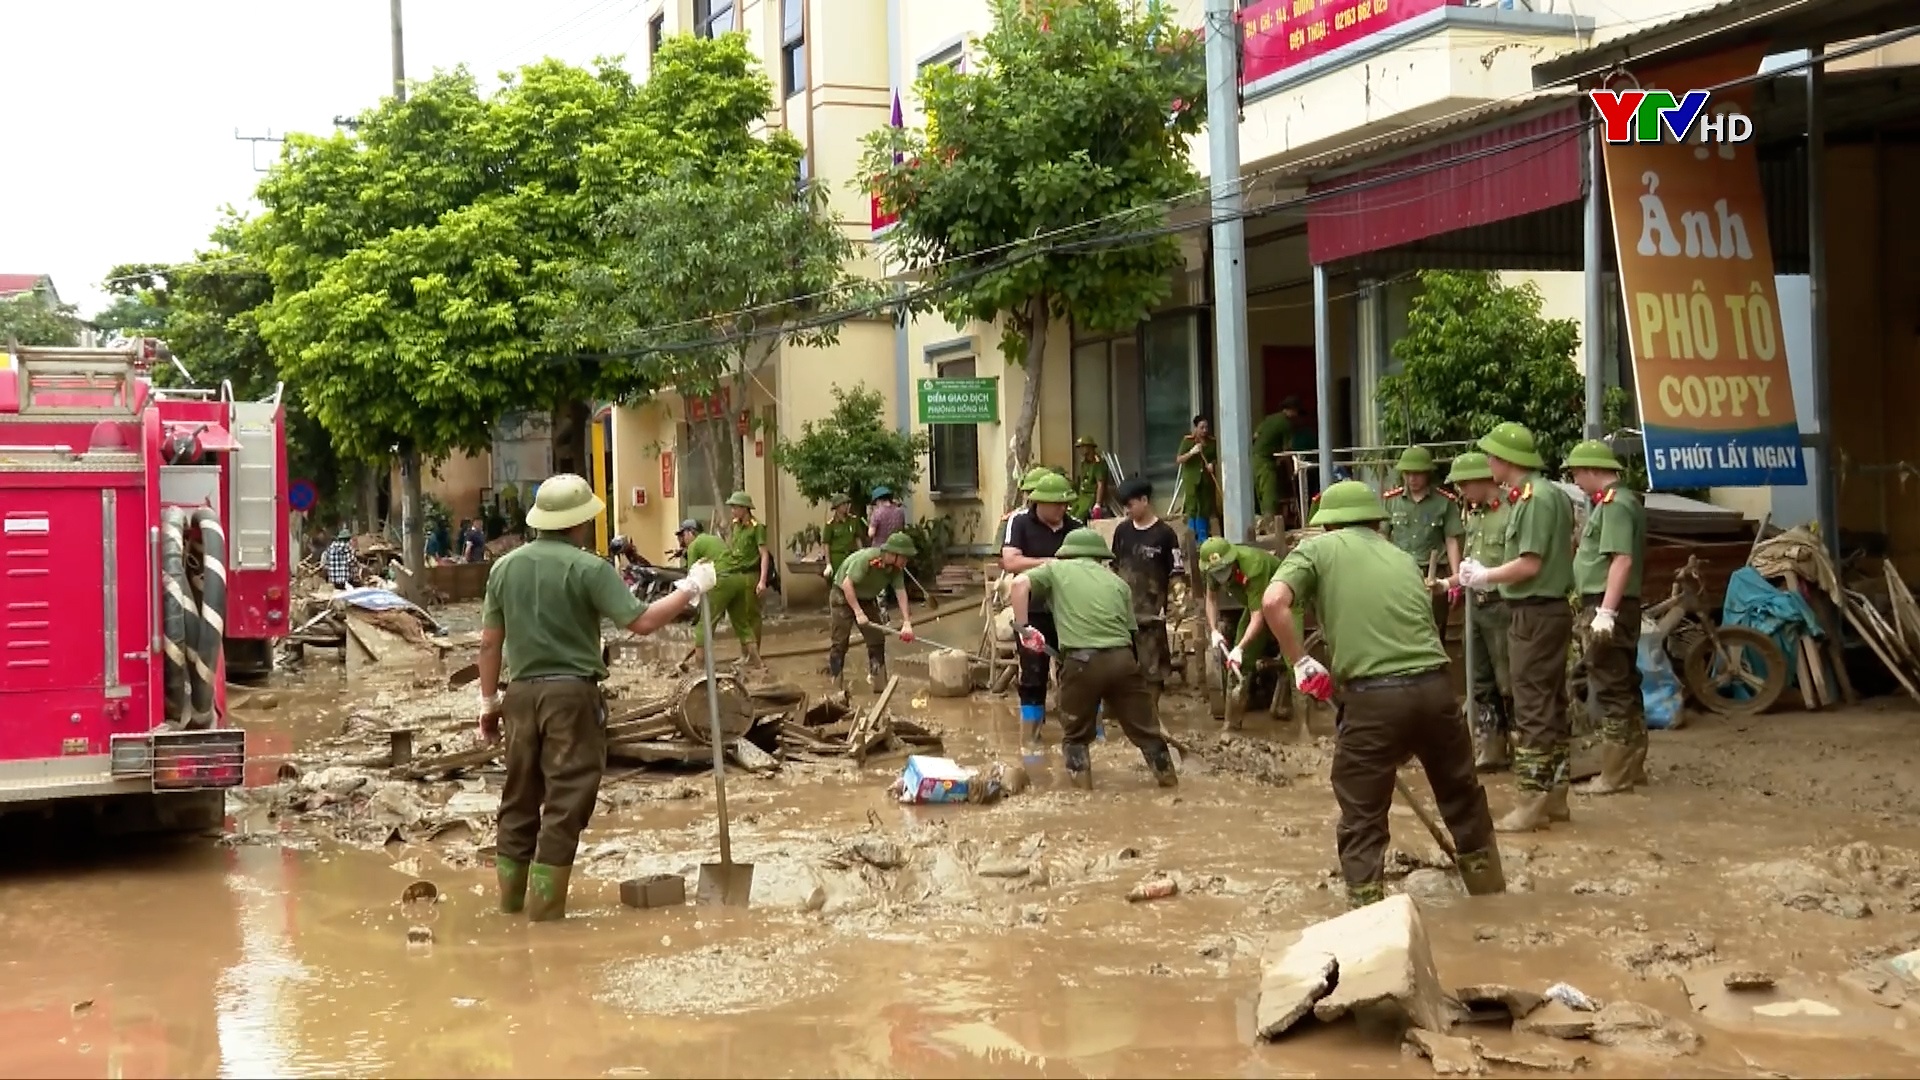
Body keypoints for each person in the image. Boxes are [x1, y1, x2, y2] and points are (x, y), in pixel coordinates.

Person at [1245, 479, 1503, 908]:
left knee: (1362, 816)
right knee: (1462, 795)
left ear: (1327, 526)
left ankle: (1366, 911)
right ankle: (1491, 894)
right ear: (1374, 522)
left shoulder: (1316, 550)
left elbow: (1274, 603)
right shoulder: (1400, 555)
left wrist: (1300, 661)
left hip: (1374, 697)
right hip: (1438, 691)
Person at [477, 473, 717, 921]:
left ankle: (510, 908)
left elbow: (490, 644)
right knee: (566, 799)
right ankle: (544, 919)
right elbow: (642, 622)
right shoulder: (589, 568)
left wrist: (489, 704)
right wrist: (689, 589)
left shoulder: (503, 568)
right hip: (570, 696)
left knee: (519, 796)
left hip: (520, 695)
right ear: (579, 522)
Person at [1456, 422, 1577, 833]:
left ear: (1506, 460)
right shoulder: (1550, 495)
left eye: (1491, 456)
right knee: (1551, 702)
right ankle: (1555, 796)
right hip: (1548, 609)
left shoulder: (1533, 499)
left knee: (1533, 706)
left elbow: (1530, 564)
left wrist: (1486, 576)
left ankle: (1532, 800)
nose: (1488, 463)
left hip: (1534, 612)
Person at [1010, 528, 1177, 789]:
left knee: (1075, 738)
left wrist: (1024, 629)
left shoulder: (1056, 570)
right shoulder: (1118, 583)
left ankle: (1085, 799)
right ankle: (1169, 783)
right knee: (1148, 734)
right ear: (1100, 557)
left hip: (1081, 664)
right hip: (1123, 661)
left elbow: (1019, 584)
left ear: (1067, 554)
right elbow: (1132, 635)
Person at [1564, 439, 1648, 796]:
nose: (1576, 481)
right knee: (1624, 683)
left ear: (1593, 470)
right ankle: (1631, 767)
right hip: (1611, 604)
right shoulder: (1616, 503)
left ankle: (1615, 774)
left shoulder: (1615, 505)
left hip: (1608, 604)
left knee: (1611, 686)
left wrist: (1606, 612)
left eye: (1577, 473)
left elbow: (1621, 560)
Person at [1000, 473, 1085, 748]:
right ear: (1038, 502)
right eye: (1056, 504)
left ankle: (1083, 732)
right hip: (1032, 609)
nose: (1062, 509)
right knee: (1033, 672)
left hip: (1069, 610)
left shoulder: (1076, 527)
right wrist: (1050, 563)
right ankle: (1031, 737)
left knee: (1077, 670)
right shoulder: (1020, 521)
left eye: (1065, 504)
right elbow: (1011, 561)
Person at [1445, 452, 1516, 773]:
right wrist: (1446, 583)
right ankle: (1492, 744)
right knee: (1479, 678)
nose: (1461, 491)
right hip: (1477, 606)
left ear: (1482, 480)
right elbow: (1470, 564)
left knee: (1510, 680)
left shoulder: (1512, 511)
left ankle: (1523, 743)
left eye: (1464, 484)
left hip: (1503, 605)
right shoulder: (1473, 515)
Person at [1109, 477, 1184, 707]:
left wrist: (1177, 605)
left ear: (1144, 500)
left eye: (1130, 505)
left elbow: (1177, 574)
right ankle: (1122, 712)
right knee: (1120, 664)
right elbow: (1113, 568)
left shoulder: (1165, 534)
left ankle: (1150, 713)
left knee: (1153, 666)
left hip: (1152, 612)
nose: (1127, 510)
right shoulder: (1122, 531)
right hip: (1123, 611)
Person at [1382, 445, 1463, 636]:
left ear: (1427, 474)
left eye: (1417, 474)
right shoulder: (1392, 501)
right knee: (1401, 627)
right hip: (1400, 572)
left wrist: (1456, 578)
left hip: (1433, 573)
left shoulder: (1444, 502)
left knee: (1434, 627)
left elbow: (1452, 540)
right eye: (1408, 473)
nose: (1412, 479)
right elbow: (1382, 537)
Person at [1199, 536, 1283, 715]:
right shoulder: (1212, 570)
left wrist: (1241, 648)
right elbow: (1211, 599)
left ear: (1232, 560)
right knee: (1238, 661)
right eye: (1216, 572)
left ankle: (1296, 716)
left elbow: (1258, 615)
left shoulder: (1254, 566)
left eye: (1223, 570)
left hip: (1282, 600)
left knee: (1291, 661)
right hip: (1255, 604)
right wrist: (1214, 630)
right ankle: (1232, 720)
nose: (1221, 576)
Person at [828, 533, 919, 692]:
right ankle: (836, 686)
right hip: (842, 595)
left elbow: (900, 592)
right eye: (904, 557)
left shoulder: (896, 569)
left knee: (877, 638)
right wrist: (858, 612)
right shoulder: (868, 559)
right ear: (893, 554)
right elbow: (847, 584)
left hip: (866, 598)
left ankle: (879, 685)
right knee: (840, 642)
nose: (906, 561)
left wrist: (906, 622)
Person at [703, 492, 770, 669]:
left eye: (735, 507)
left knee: (752, 615)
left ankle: (754, 655)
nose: (732, 511)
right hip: (736, 573)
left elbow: (764, 555)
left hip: (751, 575)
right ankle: (745, 654)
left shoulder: (757, 528)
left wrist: (762, 581)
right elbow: (732, 548)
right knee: (739, 617)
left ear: (744, 509)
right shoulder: (735, 526)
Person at [1251, 398, 1298, 523]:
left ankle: (1262, 522)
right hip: (1266, 460)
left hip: (1254, 458)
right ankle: (1269, 524)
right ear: (1292, 411)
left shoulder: (1269, 419)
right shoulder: (1285, 423)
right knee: (1269, 493)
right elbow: (1288, 450)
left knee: (1260, 492)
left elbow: (1255, 435)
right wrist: (1291, 469)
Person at [1175, 416, 1219, 543]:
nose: (1204, 430)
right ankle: (1191, 537)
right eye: (1201, 428)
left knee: (1204, 507)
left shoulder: (1211, 442)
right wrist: (1192, 452)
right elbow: (1179, 459)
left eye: (1206, 427)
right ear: (1195, 428)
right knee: (1192, 507)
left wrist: (1212, 464)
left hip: (1205, 479)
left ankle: (1202, 537)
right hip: (1191, 479)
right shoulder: (1188, 441)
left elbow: (1215, 457)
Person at [1000, 467, 1055, 544]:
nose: (1033, 498)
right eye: (1029, 492)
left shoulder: (1067, 520)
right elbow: (1004, 553)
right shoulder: (1015, 519)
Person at [822, 493, 867, 584]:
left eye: (847, 503)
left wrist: (861, 554)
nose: (846, 506)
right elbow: (826, 544)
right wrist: (828, 564)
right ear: (837, 507)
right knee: (837, 583)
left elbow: (857, 538)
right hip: (837, 557)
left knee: (852, 583)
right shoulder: (830, 524)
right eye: (843, 504)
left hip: (851, 555)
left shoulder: (853, 520)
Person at [1071, 436, 1110, 520]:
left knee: (1079, 517)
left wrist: (1098, 504)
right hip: (1082, 496)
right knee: (1070, 514)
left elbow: (1100, 484)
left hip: (1091, 497)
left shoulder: (1098, 463)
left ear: (1089, 447)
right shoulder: (1084, 463)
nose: (1080, 450)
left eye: (1082, 447)